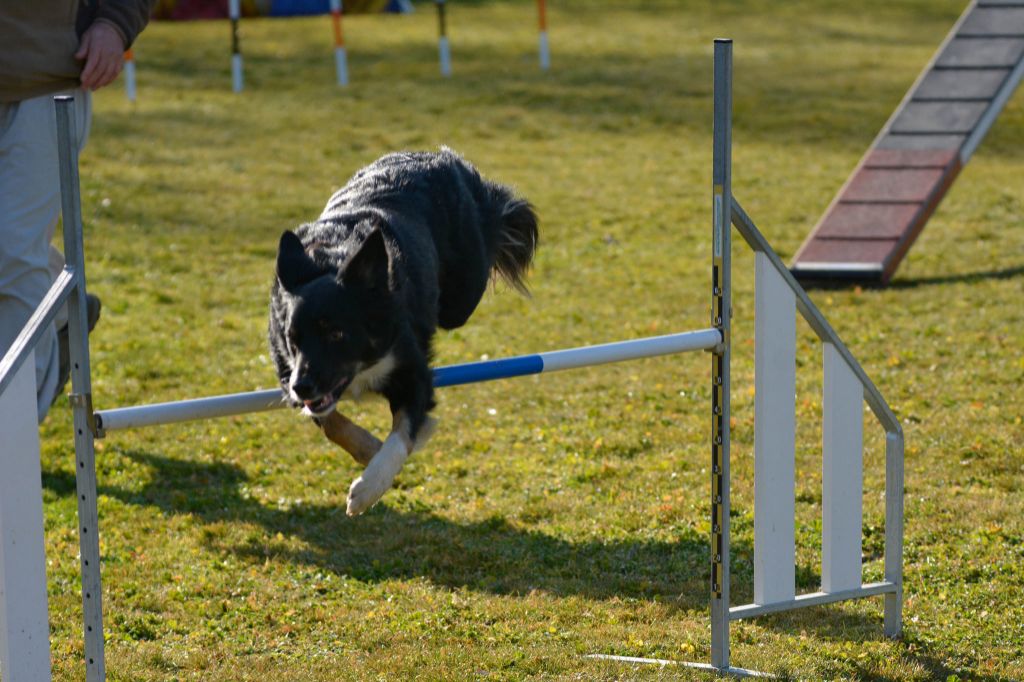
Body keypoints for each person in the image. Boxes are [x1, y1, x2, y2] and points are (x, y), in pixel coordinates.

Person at [1, 0, 155, 422]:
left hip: (44, 79)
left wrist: (113, 22)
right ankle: (59, 307)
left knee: (12, 255)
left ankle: (10, 442)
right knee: (16, 256)